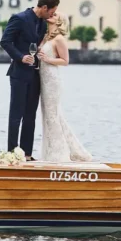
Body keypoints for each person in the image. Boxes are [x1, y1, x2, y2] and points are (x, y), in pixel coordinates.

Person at [0, 0, 59, 160]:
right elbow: (5, 41)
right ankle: (12, 153)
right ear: (44, 7)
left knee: (30, 115)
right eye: (51, 12)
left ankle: (26, 154)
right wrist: (20, 56)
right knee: (16, 114)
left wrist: (53, 22)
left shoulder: (43, 22)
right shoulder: (19, 18)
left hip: (35, 74)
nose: (52, 15)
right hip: (19, 73)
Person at [37, 13, 92, 162]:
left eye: (54, 14)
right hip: (42, 78)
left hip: (52, 79)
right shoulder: (46, 37)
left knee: (53, 114)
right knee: (48, 115)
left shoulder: (59, 39)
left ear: (60, 21)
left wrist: (48, 59)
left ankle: (58, 154)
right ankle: (53, 151)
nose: (51, 15)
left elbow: (65, 61)